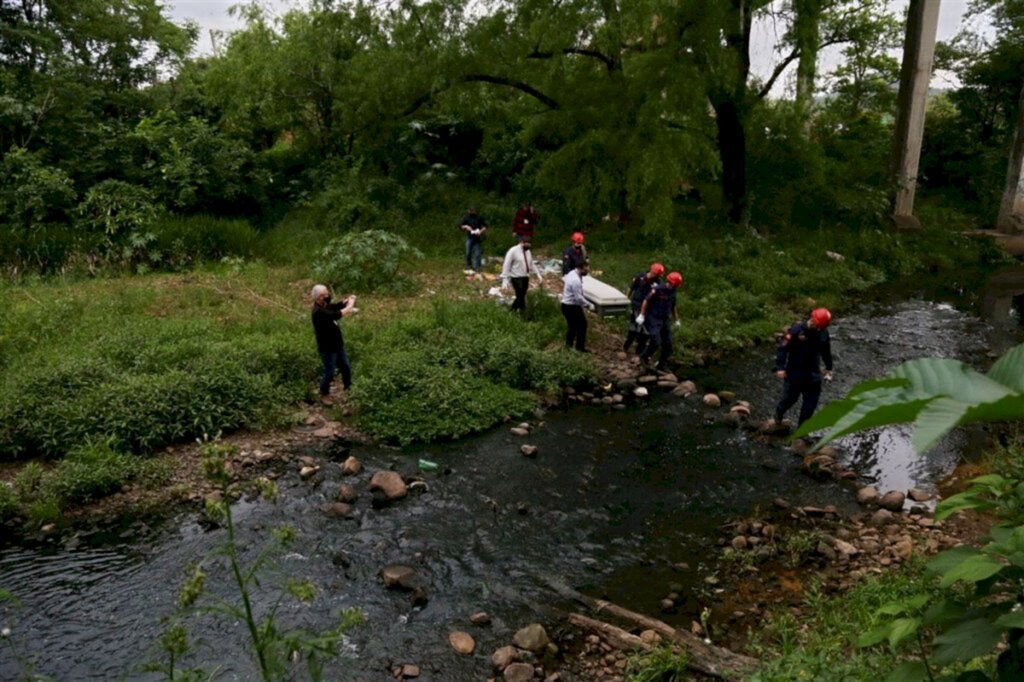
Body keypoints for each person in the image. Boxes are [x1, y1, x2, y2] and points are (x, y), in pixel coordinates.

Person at [773, 307, 834, 428]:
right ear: (812, 319)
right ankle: (779, 413)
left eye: (821, 327)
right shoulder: (796, 331)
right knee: (790, 399)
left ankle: (801, 432)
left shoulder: (823, 332)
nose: (818, 329)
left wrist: (829, 367)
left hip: (813, 373)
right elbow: (783, 348)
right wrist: (780, 367)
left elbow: (826, 351)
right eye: (817, 325)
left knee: (810, 404)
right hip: (795, 372)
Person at [311, 284, 358, 405]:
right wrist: (350, 305)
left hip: (337, 344)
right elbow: (336, 314)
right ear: (318, 297)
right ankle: (324, 393)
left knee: (346, 367)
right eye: (324, 295)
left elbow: (335, 306)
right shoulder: (318, 312)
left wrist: (346, 301)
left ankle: (348, 389)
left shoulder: (325, 305)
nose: (327, 296)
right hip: (327, 348)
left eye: (327, 294)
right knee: (330, 372)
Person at [636, 271, 683, 372]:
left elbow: (673, 306)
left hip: (665, 319)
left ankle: (662, 364)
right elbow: (646, 301)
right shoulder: (657, 289)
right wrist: (642, 314)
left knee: (668, 343)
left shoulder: (673, 291)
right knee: (656, 341)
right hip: (653, 318)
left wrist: (676, 319)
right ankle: (644, 357)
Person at [624, 262, 665, 354]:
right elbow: (631, 288)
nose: (656, 276)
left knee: (645, 332)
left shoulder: (658, 283)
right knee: (633, 327)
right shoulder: (640, 277)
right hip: (636, 304)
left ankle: (639, 350)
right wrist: (626, 300)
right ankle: (627, 345)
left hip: (649, 309)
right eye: (655, 274)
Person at [500, 239, 543, 313]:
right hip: (516, 277)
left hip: (525, 277)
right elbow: (506, 264)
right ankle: (513, 311)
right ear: (522, 242)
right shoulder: (513, 251)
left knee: (522, 295)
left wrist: (538, 274)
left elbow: (531, 263)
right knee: (520, 295)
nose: (529, 246)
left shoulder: (528, 252)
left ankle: (520, 311)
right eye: (528, 244)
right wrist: (505, 279)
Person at [561, 259, 595, 351]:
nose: (586, 272)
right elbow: (578, 298)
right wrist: (589, 305)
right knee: (581, 325)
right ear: (580, 268)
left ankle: (569, 347)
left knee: (573, 327)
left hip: (567, 305)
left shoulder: (572, 273)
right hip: (571, 306)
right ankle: (578, 348)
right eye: (585, 271)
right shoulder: (576, 280)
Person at [459, 206, 487, 271]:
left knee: (477, 253)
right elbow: (460, 225)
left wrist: (480, 231)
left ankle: (478, 267)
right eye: (470, 210)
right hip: (469, 237)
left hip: (477, 238)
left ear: (475, 211)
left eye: (472, 210)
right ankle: (469, 265)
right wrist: (466, 226)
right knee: (468, 252)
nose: (471, 212)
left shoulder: (479, 218)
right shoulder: (466, 218)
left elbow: (485, 226)